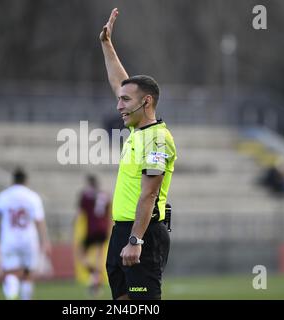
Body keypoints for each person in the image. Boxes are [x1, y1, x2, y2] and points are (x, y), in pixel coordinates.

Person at [100, 8, 177, 300]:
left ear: (146, 102)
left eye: (125, 100)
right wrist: (107, 45)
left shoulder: (157, 139)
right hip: (122, 230)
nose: (118, 105)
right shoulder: (138, 132)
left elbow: (149, 195)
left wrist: (136, 240)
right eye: (119, 99)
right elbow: (120, 82)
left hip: (142, 234)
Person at [0, 168, 51, 300]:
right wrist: (45, 241)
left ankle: (11, 297)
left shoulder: (3, 196)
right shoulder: (32, 196)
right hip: (28, 240)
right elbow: (39, 221)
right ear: (26, 180)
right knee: (27, 274)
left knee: (11, 272)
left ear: (13, 180)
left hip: (9, 239)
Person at [75, 174, 112, 297]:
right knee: (99, 256)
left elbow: (80, 212)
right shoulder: (105, 195)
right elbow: (108, 212)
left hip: (92, 229)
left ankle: (94, 273)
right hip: (103, 229)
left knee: (81, 253)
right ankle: (96, 282)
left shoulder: (86, 195)